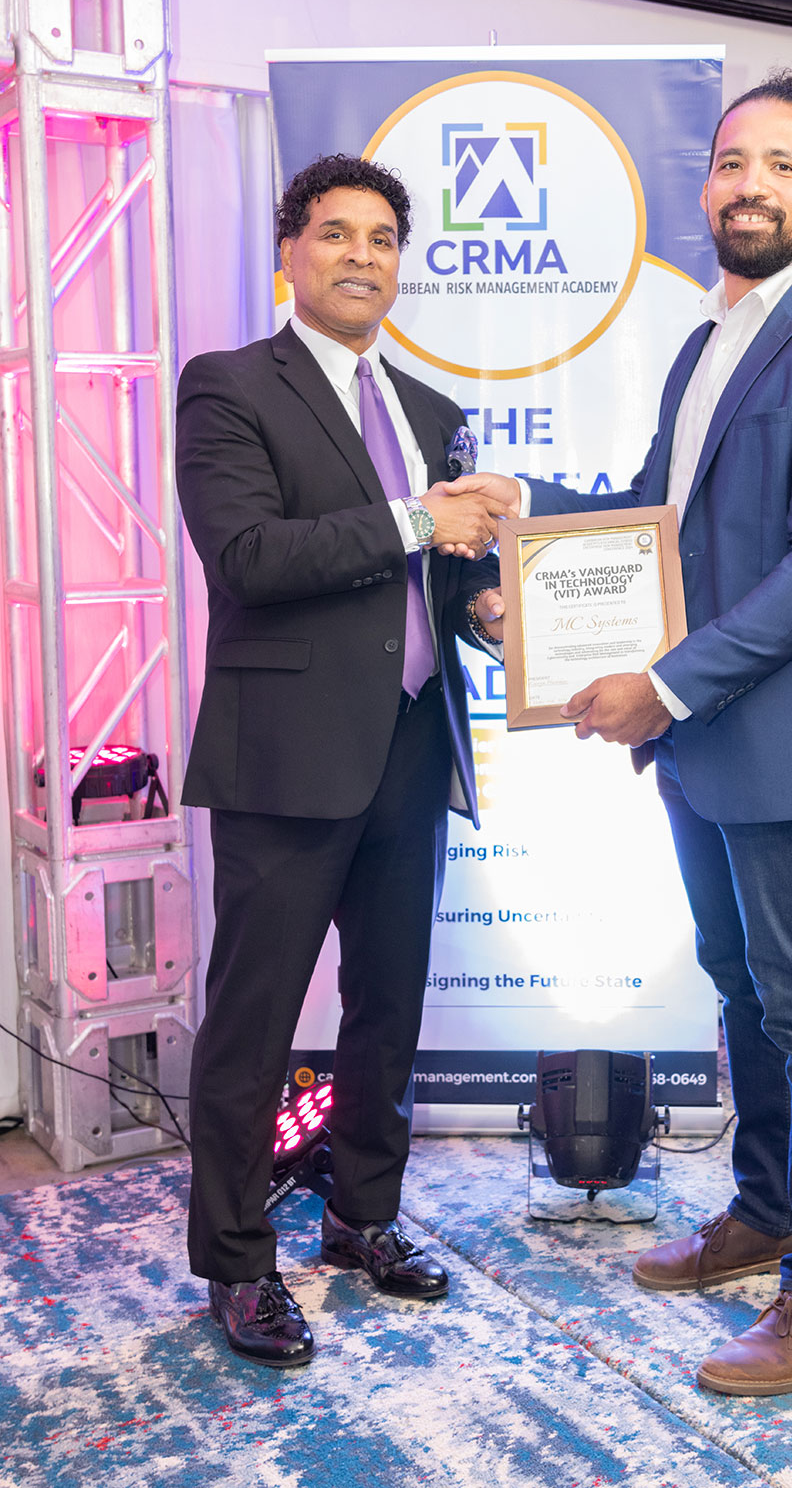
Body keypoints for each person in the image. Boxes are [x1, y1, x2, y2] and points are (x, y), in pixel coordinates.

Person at [448, 71, 792, 1398]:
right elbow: (653, 524)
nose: (751, 184)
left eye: (781, 164)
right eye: (731, 163)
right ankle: (765, 1215)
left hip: (784, 744)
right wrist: (529, 516)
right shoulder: (705, 344)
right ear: (704, 187)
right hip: (708, 752)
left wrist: (662, 686)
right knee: (741, 989)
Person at [176, 154, 508, 1368]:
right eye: (336, 235)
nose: (362, 255)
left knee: (388, 1011)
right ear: (290, 254)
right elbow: (251, 558)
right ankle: (236, 1263)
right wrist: (428, 518)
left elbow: (452, 579)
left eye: (382, 238)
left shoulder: (429, 413)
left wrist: (491, 607)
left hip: (413, 747)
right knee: (254, 1024)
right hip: (286, 760)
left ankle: (363, 1220)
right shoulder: (226, 387)